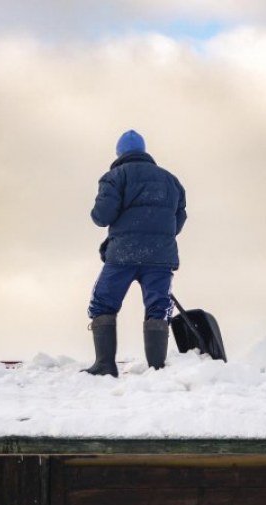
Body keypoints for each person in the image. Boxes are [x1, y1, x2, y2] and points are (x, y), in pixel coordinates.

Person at [83, 130, 187, 377]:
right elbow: (179, 220)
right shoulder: (171, 181)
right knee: (158, 307)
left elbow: (102, 216)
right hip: (161, 256)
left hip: (123, 255)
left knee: (102, 303)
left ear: (119, 153)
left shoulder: (115, 177)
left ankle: (105, 365)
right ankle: (156, 369)